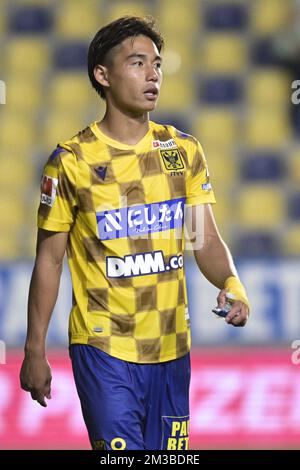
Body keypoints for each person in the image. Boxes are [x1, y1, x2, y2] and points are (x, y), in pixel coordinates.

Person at [20, 16, 250, 450]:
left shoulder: (182, 150)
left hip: (172, 349)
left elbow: (206, 239)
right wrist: (35, 350)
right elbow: (49, 260)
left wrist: (232, 284)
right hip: (104, 349)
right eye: (138, 63)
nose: (152, 74)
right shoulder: (71, 161)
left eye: (157, 64)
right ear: (102, 75)